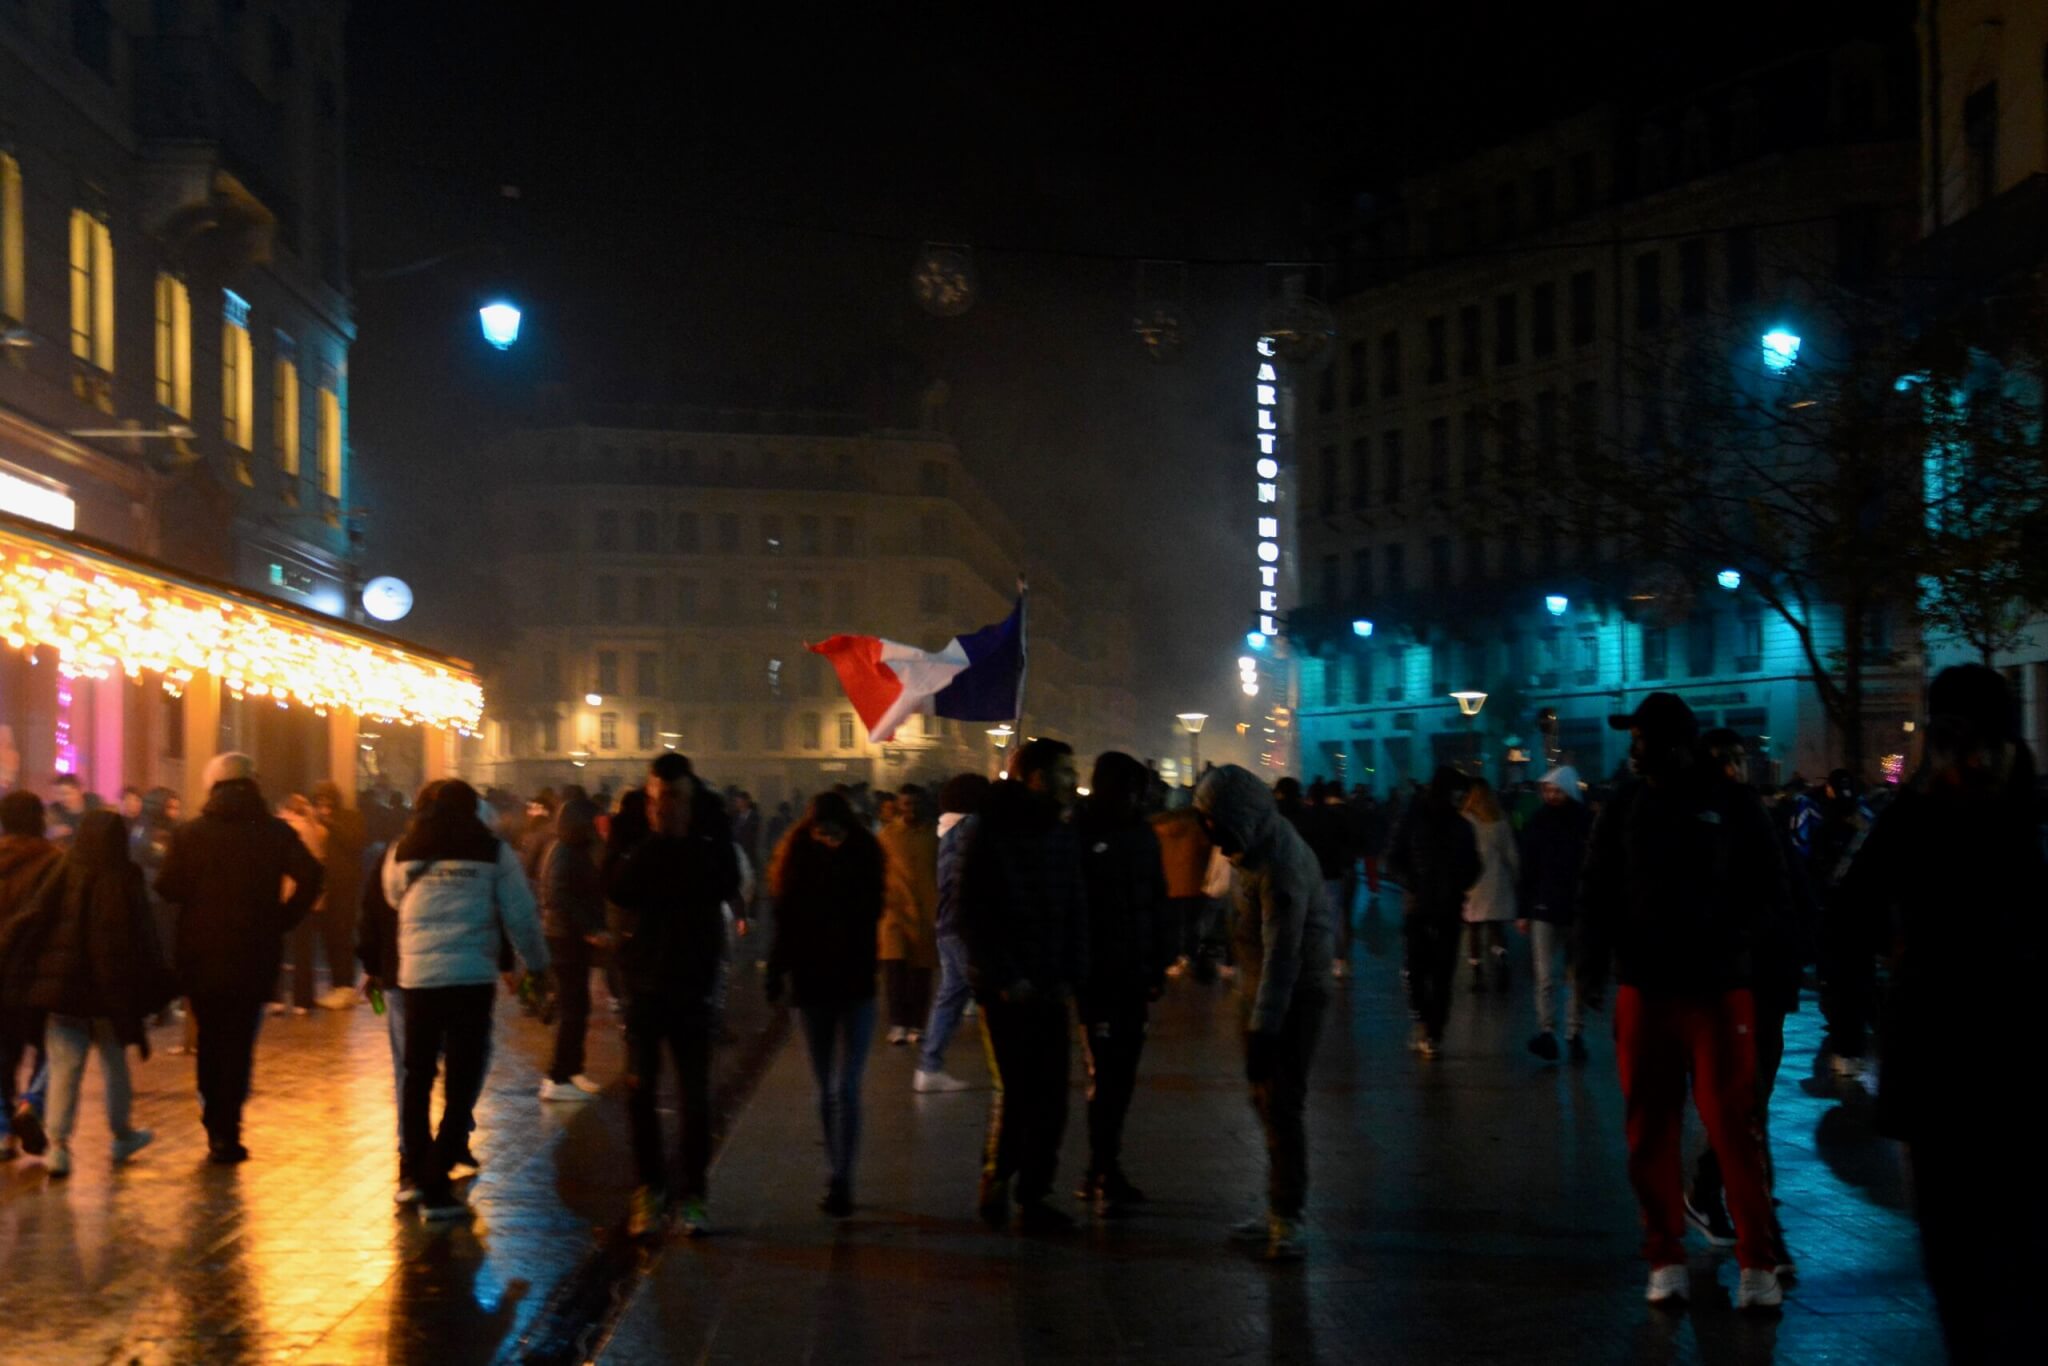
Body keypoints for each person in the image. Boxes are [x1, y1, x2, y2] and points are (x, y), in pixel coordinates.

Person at [1828, 666, 2044, 1363]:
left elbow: (1847, 913)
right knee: (1985, 1242)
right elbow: (1849, 915)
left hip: (1948, 1051)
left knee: (1964, 1243)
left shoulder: (1928, 813)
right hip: (1987, 1051)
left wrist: (1851, 1020)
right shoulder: (2009, 811)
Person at [1577, 693, 1791, 1310]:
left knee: (1732, 1125)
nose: (1631, 748)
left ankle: (1755, 1261)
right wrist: (1591, 963)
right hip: (1651, 987)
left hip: (1716, 989)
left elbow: (1771, 886)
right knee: (1652, 1127)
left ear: (1670, 742)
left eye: (1639, 737)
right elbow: (1596, 888)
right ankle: (1666, 1255)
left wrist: (1736, 941)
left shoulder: (1731, 804)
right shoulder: (1625, 807)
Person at [382, 780, 548, 1220]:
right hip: (471, 979)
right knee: (463, 1076)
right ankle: (436, 1177)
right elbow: (521, 915)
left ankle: (417, 1172)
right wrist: (538, 964)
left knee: (416, 1075)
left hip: (417, 978)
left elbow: (392, 896)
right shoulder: (493, 851)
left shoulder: (404, 848)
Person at [154, 753, 323, 1163]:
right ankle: (230, 1125)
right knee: (241, 1039)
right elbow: (313, 876)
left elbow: (167, 887)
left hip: (202, 952)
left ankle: (215, 1123)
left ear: (213, 787)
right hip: (256, 951)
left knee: (210, 1037)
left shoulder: (190, 834)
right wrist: (283, 918)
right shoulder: (274, 832)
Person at [1683, 729, 1810, 1278]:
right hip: (1731, 984)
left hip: (1768, 982)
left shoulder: (1761, 820)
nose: (1734, 771)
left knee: (1750, 1104)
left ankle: (1707, 1189)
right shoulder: (1700, 828)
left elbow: (1791, 893)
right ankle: (1765, 1238)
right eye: (1724, 762)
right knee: (1747, 1104)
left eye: (1738, 761)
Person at [1195, 764, 1334, 1263]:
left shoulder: (1281, 863)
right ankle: (1277, 1202)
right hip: (1260, 991)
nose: (1211, 835)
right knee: (1266, 1102)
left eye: (1215, 823)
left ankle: (1287, 1217)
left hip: (1294, 995)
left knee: (1282, 1104)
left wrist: (1264, 1029)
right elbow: (1238, 916)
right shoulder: (1249, 847)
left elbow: (1284, 954)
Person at [606, 752, 739, 1240]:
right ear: (649, 793)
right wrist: (652, 841)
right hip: (642, 980)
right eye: (660, 798)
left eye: (677, 798)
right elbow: (616, 887)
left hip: (692, 978)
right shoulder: (632, 821)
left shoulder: (710, 823)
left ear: (690, 793)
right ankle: (650, 1189)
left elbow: (725, 881)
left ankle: (695, 1195)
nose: (668, 806)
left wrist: (684, 844)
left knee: (694, 1094)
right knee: (639, 1090)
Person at [958, 738, 1087, 1235]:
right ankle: (996, 1178)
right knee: (1015, 1091)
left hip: (1052, 984)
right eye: (1062, 770)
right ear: (1034, 776)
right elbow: (974, 911)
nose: (1070, 780)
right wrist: (1005, 976)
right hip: (1007, 989)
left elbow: (1076, 905)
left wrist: (1073, 972)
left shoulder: (1060, 830)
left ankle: (1036, 1194)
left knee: (1052, 1095)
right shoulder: (990, 830)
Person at [0, 810, 174, 1175]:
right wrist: (156, 984)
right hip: (110, 994)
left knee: (64, 1068)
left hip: (63, 989)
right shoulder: (127, 876)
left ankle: (59, 1147)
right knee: (115, 1065)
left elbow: (35, 914)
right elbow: (144, 936)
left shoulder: (65, 868)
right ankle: (123, 1133)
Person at [765, 792, 886, 1217]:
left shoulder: (867, 856)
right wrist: (775, 971)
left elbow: (871, 908)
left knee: (846, 1086)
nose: (826, 839)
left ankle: (843, 1177)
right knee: (825, 1087)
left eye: (832, 832)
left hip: (854, 984)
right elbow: (786, 922)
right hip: (813, 986)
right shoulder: (797, 860)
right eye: (820, 833)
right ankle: (835, 1172)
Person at [1074, 752, 1171, 1216]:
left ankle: (1105, 1163)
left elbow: (1156, 899)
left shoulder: (1141, 835)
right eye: (1133, 789)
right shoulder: (1081, 834)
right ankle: (1100, 1165)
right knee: (1104, 1075)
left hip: (1134, 974)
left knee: (1122, 1076)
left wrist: (1158, 963)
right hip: (1097, 978)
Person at [1386, 768, 1480, 1058]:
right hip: (1421, 907)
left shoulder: (1461, 826)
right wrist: (1413, 884)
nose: (1461, 799)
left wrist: (1456, 886)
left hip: (1445, 908)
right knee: (1418, 970)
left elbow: (1474, 865)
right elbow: (1393, 860)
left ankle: (1432, 1030)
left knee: (1440, 974)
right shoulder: (1414, 822)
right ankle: (1425, 1023)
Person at [912, 773, 991, 1092]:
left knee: (952, 994)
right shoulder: (970, 829)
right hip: (964, 926)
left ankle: (929, 1067)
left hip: (947, 925)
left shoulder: (947, 831)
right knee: (988, 990)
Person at [0, 791, 62, 1161]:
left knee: (1, 1054)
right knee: (52, 1047)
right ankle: (33, 1103)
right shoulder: (56, 862)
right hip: (40, 976)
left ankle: (2, 1130)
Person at [1516, 765, 1591, 1062]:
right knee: (1547, 976)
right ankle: (1550, 1031)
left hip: (1571, 908)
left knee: (1573, 976)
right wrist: (1524, 910)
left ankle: (1572, 1033)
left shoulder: (1582, 822)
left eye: (1557, 790)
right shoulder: (1540, 822)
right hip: (1548, 907)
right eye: (1548, 790)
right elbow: (1528, 868)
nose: (1551, 795)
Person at [538, 795, 607, 1102]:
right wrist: (589, 928)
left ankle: (572, 1070)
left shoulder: (571, 850)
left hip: (567, 938)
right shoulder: (564, 853)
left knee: (578, 1008)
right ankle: (558, 1076)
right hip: (564, 940)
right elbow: (560, 896)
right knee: (572, 1009)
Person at [877, 785, 939, 1045]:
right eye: (906, 804)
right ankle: (898, 1023)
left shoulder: (935, 836)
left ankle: (917, 1024)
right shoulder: (887, 835)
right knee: (895, 974)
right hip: (895, 915)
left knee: (920, 977)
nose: (910, 809)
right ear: (899, 806)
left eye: (914, 804)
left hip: (926, 914)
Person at [1460, 778, 1519, 993]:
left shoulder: (1465, 820)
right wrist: (1516, 876)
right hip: (1497, 881)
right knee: (1496, 928)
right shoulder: (1500, 819)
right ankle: (1501, 959)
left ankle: (1477, 975)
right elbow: (1511, 853)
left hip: (1474, 882)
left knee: (1474, 930)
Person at [312, 782, 367, 1011]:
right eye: (320, 799)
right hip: (325, 887)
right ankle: (338, 985)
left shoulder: (350, 818)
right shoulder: (317, 820)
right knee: (330, 936)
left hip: (344, 886)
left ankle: (345, 986)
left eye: (327, 799)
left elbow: (355, 842)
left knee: (342, 934)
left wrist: (330, 824)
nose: (324, 804)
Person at [275, 794, 328, 1016]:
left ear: (288, 810)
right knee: (304, 951)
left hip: (283, 897)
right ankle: (303, 1000)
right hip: (307, 900)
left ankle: (276, 999)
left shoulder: (283, 831)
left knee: (277, 948)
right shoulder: (316, 831)